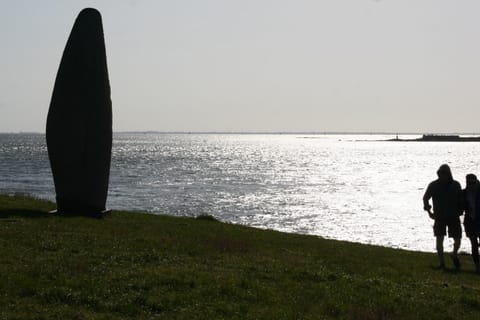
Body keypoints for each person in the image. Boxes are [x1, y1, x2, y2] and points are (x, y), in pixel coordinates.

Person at [423, 164, 462, 269]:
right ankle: (442, 262)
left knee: (457, 239)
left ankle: (454, 254)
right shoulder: (433, 185)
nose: (442, 176)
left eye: (444, 174)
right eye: (440, 174)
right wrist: (429, 211)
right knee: (439, 239)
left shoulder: (456, 185)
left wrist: (461, 210)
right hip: (439, 216)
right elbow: (425, 198)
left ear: (449, 174)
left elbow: (461, 199)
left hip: (453, 216)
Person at [461, 174, 480, 273]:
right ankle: (477, 266)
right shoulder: (464, 193)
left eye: (473, 183)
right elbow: (460, 207)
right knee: (474, 244)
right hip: (470, 222)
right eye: (469, 183)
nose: (471, 185)